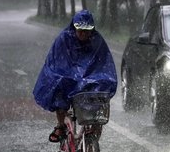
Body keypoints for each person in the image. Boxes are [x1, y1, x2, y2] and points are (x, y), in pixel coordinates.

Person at [33, 10, 117, 143]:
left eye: (87, 30)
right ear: (74, 28)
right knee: (58, 88)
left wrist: (94, 78)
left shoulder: (97, 41)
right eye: (80, 30)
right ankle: (61, 125)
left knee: (100, 93)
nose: (83, 34)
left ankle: (94, 130)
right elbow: (57, 63)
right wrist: (70, 76)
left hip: (89, 79)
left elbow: (104, 64)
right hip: (69, 77)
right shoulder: (64, 39)